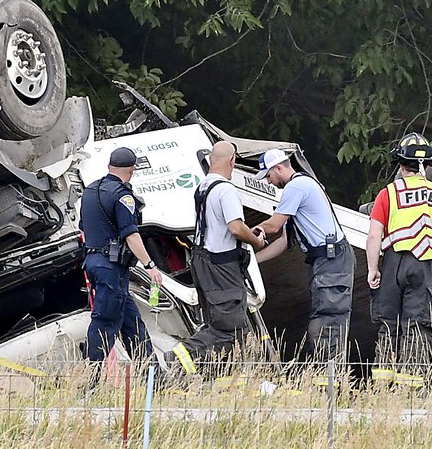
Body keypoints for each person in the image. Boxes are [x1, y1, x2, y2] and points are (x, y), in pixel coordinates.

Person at [165, 141, 268, 377]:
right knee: (228, 330)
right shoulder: (226, 189)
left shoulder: (202, 188)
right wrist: (256, 241)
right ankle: (176, 360)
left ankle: (205, 377)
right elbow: (234, 228)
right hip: (222, 268)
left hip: (202, 263)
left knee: (217, 327)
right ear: (232, 161)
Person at [364, 133, 432, 367]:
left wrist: (372, 269)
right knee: (419, 323)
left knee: (389, 323)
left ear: (401, 164)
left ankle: (383, 386)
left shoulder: (389, 193)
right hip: (425, 265)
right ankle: (411, 387)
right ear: (427, 165)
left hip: (393, 264)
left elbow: (375, 234)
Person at [254, 149, 354, 364]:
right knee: (323, 318)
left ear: (278, 168)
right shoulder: (299, 189)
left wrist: (252, 231)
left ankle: (329, 379)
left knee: (328, 320)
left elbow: (273, 225)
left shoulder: (296, 186)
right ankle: (323, 374)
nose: (269, 182)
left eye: (269, 176)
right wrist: (253, 261)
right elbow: (283, 242)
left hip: (331, 259)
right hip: (326, 260)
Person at [79, 146, 164, 368]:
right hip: (111, 268)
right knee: (105, 322)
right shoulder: (123, 196)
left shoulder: (89, 191)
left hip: (93, 262)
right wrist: (150, 265)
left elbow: (84, 230)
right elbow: (131, 235)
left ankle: (153, 376)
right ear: (132, 170)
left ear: (110, 166)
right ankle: (90, 377)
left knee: (132, 323)